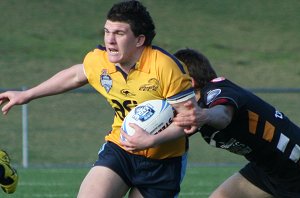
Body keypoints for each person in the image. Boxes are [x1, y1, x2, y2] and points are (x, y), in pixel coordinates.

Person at [0, 1, 199, 198]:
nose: (109, 40)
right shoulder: (100, 60)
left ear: (139, 40)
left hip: (163, 162)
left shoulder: (165, 67)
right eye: (106, 32)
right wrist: (27, 94)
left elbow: (191, 121)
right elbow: (76, 75)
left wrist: (151, 140)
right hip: (120, 150)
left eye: (119, 33)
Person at [121, 48, 300, 198]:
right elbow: (177, 129)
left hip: (295, 166)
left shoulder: (217, 90)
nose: (164, 88)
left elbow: (223, 114)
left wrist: (205, 115)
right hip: (267, 171)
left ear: (188, 82)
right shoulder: (192, 111)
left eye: (169, 80)